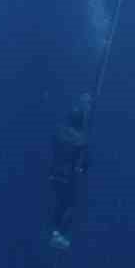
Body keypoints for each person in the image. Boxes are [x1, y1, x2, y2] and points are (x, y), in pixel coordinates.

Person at [49, 94, 91, 251]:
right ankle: (59, 234)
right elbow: (84, 164)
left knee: (59, 204)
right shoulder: (81, 139)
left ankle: (55, 232)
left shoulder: (59, 132)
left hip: (53, 174)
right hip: (67, 178)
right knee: (69, 206)